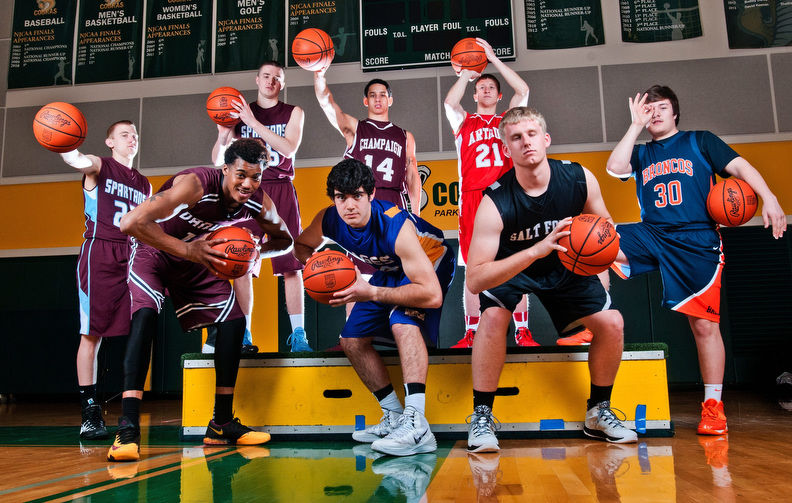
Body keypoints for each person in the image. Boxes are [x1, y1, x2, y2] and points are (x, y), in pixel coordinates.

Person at [606, 85, 787, 435]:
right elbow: (615, 168)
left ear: (675, 113)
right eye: (649, 109)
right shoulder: (642, 153)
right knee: (591, 242)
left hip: (697, 239)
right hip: (653, 233)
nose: (655, 113)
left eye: (662, 107)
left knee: (704, 327)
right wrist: (633, 126)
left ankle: (713, 406)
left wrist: (770, 198)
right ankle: (592, 320)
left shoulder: (700, 141)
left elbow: (741, 167)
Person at [464, 107, 638, 451]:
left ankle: (598, 411)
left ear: (546, 140)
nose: (525, 142)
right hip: (514, 266)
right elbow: (474, 280)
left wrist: (628, 257)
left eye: (531, 135)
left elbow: (609, 235)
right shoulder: (495, 201)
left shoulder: (577, 178)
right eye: (515, 137)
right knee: (494, 315)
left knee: (613, 323)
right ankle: (482, 418)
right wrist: (534, 251)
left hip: (565, 265)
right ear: (505, 149)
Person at [109, 138, 293, 461]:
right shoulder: (195, 184)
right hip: (154, 251)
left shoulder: (258, 202)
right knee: (146, 316)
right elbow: (131, 223)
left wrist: (255, 254)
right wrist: (188, 250)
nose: (248, 184)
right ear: (225, 170)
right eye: (241, 175)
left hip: (195, 258)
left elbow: (285, 241)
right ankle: (127, 429)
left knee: (234, 320)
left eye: (256, 177)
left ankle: (220, 423)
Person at [294, 159, 455, 456]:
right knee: (351, 341)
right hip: (390, 268)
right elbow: (302, 246)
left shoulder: (396, 224)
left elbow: (432, 295)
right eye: (341, 197)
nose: (349, 205)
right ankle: (393, 415)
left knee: (402, 322)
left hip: (430, 260)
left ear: (371, 194)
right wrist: (315, 267)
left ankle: (417, 425)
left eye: (356, 195)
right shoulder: (329, 219)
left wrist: (373, 292)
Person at [443, 38, 541, 348]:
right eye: (481, 87)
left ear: (499, 96)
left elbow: (523, 91)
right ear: (474, 94)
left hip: (506, 197)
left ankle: (522, 330)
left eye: (491, 88)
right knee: (473, 269)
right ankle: (471, 332)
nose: (485, 90)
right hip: (473, 197)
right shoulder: (465, 121)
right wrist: (466, 71)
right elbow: (449, 103)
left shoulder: (508, 121)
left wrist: (494, 59)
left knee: (516, 262)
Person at [60, 120, 152, 441]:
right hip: (99, 253)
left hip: (132, 256)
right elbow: (78, 160)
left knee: (138, 333)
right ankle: (89, 412)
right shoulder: (100, 166)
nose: (132, 139)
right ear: (110, 141)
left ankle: (128, 409)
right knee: (92, 335)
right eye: (125, 134)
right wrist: (64, 142)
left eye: (135, 135)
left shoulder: (144, 184)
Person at [211, 60, 311, 353]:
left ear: (282, 83)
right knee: (239, 259)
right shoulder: (236, 113)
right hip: (246, 190)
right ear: (257, 80)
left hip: (280, 188)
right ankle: (243, 334)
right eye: (266, 76)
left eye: (277, 78)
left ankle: (299, 335)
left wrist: (253, 124)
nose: (270, 81)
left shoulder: (294, 112)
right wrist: (222, 133)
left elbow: (288, 148)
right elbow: (218, 159)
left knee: (292, 265)